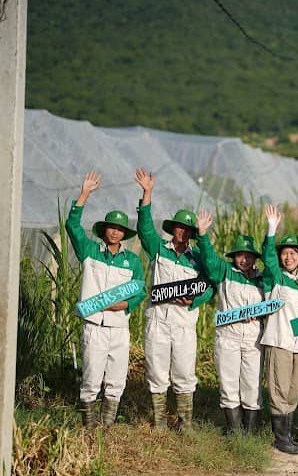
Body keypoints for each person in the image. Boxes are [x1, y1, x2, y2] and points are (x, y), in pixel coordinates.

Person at [134, 168, 213, 431]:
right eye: (179, 227)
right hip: (158, 320)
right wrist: (147, 193)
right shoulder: (159, 249)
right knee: (156, 372)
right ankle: (159, 423)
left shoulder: (198, 258)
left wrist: (196, 300)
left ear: (192, 232)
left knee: (184, 373)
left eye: (187, 229)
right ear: (173, 229)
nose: (182, 232)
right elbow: (144, 228)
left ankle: (185, 424)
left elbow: (211, 286)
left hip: (184, 323)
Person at [66, 171, 146, 428]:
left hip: (119, 328)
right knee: (91, 379)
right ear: (104, 230)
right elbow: (72, 226)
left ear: (125, 233)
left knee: (116, 381)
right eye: (112, 227)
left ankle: (107, 428)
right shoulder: (89, 251)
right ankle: (89, 427)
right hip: (94, 326)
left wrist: (124, 305)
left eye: (120, 229)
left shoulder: (132, 261)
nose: (116, 232)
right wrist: (84, 194)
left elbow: (140, 292)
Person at [196, 211, 266, 436]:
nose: (244, 260)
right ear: (234, 257)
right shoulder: (225, 271)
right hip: (228, 335)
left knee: (252, 385)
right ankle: (235, 433)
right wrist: (203, 235)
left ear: (255, 257)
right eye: (239, 256)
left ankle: (249, 433)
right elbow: (208, 259)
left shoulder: (262, 279)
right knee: (228, 384)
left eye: (248, 256)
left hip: (254, 337)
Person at [261, 205, 298, 454]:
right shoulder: (277, 277)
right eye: (285, 253)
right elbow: (269, 258)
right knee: (279, 390)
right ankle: (280, 438)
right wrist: (272, 228)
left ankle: (288, 434)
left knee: (293, 391)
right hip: (279, 340)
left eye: (293, 253)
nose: (288, 257)